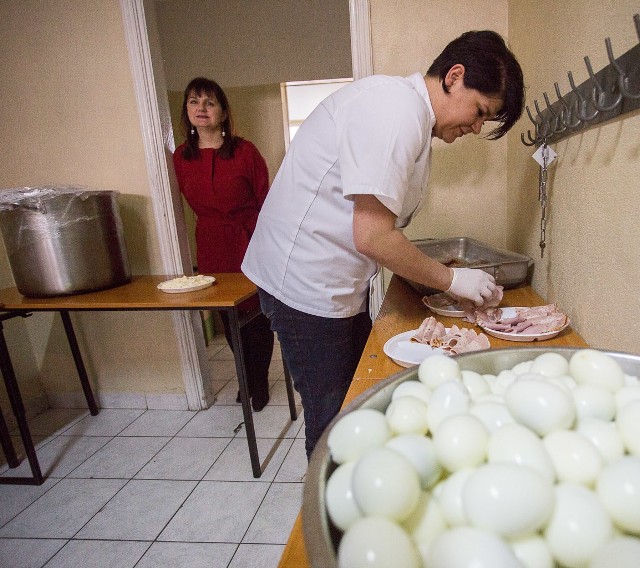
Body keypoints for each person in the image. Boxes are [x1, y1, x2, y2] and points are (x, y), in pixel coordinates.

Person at [242, 30, 525, 456]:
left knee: (359, 401)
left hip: (332, 282)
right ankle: (329, 510)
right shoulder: (394, 111)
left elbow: (380, 226)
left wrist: (447, 280)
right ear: (454, 76)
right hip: (302, 285)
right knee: (333, 417)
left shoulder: (411, 117)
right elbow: (373, 236)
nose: (477, 126)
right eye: (480, 111)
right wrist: (452, 280)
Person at [173, 77, 274, 412]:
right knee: (227, 317)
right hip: (211, 245)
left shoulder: (245, 152)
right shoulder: (180, 158)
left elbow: (267, 204)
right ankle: (245, 376)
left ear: (223, 111)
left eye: (210, 102)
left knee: (256, 317)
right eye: (194, 101)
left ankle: (258, 382)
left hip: (249, 240)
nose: (201, 108)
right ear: (186, 110)